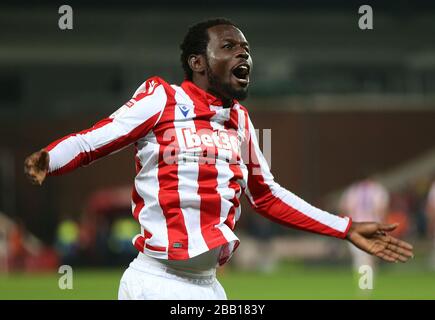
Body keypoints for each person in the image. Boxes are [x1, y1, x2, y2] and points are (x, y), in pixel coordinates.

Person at [24, 18, 414, 300]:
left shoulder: (240, 121)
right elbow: (96, 139)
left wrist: (344, 227)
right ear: (198, 62)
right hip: (157, 282)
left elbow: (267, 196)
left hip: (209, 286)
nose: (243, 53)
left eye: (246, 49)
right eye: (229, 47)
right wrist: (50, 157)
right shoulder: (164, 100)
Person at [339, 179, 389, 274]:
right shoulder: (378, 190)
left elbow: (344, 209)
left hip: (356, 226)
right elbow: (382, 210)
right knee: (370, 257)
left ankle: (363, 283)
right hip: (373, 226)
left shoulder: (352, 191)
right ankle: (368, 282)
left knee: (360, 257)